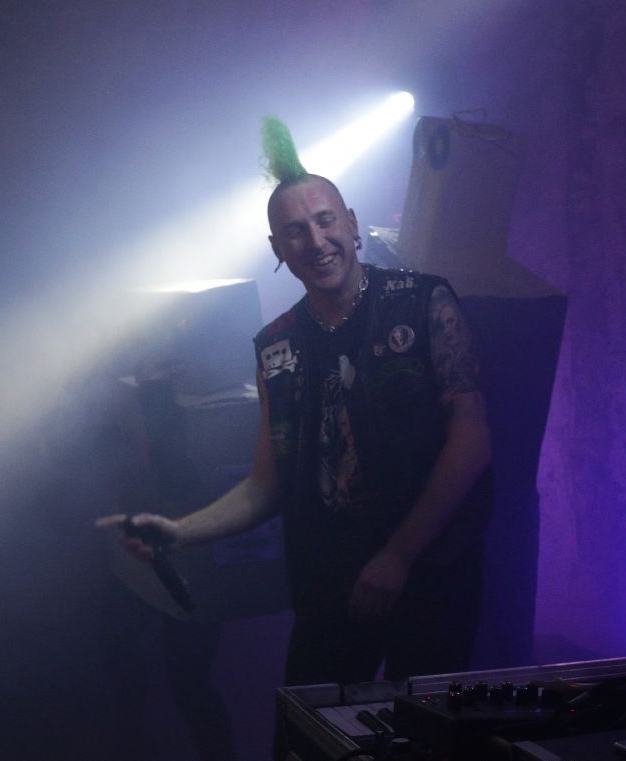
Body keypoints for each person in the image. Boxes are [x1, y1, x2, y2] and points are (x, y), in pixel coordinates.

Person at [98, 118, 493, 686]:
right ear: (278, 249)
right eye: (295, 231)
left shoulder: (423, 301)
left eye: (325, 220)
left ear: (351, 224)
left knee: (425, 724)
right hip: (332, 579)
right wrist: (181, 531)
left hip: (431, 570)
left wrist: (400, 554)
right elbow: (268, 483)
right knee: (311, 723)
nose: (316, 241)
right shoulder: (276, 344)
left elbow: (471, 437)